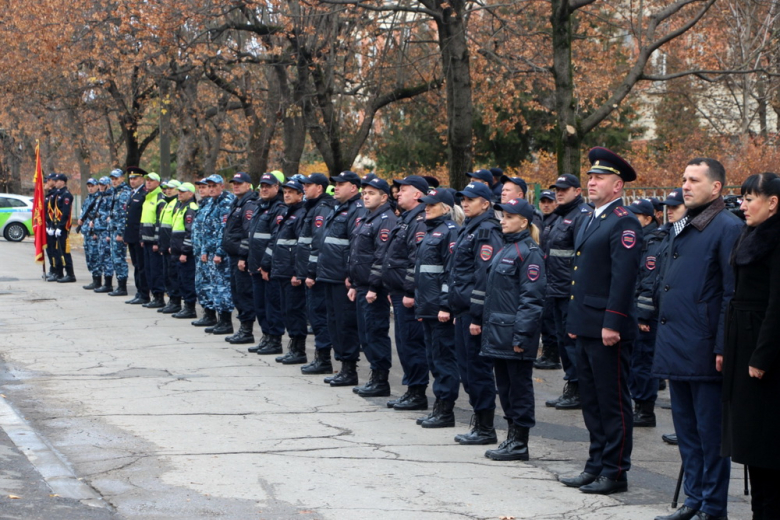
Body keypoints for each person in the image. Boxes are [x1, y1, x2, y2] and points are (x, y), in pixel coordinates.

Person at [652, 158, 743, 520]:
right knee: (687, 435)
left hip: (705, 349)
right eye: (684, 179)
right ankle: (693, 501)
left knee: (710, 437)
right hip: (677, 345)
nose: (685, 186)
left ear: (716, 187)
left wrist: (722, 345)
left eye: (694, 180)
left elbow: (729, 293)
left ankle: (713, 508)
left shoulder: (726, 227)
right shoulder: (685, 225)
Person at [559, 147, 643, 495]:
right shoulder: (591, 217)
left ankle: (615, 470)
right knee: (591, 401)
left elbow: (623, 278)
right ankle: (595, 465)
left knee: (612, 402)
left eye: (599, 178)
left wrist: (612, 322)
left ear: (617, 185)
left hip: (607, 328)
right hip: (585, 324)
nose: (591, 182)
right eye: (590, 177)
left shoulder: (623, 221)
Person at [722, 173, 780, 520]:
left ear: (773, 203)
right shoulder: (752, 233)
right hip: (743, 343)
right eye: (742, 198)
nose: (742, 205)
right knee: (752, 445)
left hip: (765, 354)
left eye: (750, 198)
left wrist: (761, 356)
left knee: (767, 445)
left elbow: (778, 304)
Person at [481, 197, 546, 460]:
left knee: (519, 389)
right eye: (502, 216)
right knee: (506, 389)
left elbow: (532, 300)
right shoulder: (506, 248)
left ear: (523, 221)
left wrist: (522, 336)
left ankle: (520, 442)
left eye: (508, 217)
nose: (503, 221)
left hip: (514, 336)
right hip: (499, 333)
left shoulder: (528, 253)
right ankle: (511, 437)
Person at [449, 181, 503, 445]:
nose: (465, 203)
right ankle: (479, 422)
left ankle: (485, 427)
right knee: (466, 369)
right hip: (463, 308)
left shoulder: (486, 230)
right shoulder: (469, 228)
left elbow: (484, 275)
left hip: (474, 312)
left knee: (477, 370)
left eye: (471, 199)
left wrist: (478, 315)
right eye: (463, 199)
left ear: (486, 203)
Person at [306, 171, 364, 387]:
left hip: (343, 278)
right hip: (329, 275)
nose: (336, 187)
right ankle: (341, 365)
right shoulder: (338, 208)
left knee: (345, 323)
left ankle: (349, 369)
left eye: (341, 184)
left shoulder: (356, 210)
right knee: (333, 322)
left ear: (354, 188)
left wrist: (351, 275)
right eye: (335, 184)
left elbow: (356, 247)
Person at [382, 176, 431, 410]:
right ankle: (411, 388)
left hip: (407, 294)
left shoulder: (420, 221)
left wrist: (410, 292)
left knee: (411, 343)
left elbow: (415, 260)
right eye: (398, 190)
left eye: (404, 190)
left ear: (418, 194)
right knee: (403, 342)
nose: (398, 193)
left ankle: (417, 392)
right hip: (398, 291)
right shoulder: (407, 219)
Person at [414, 188, 461, 428]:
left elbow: (450, 273)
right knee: (434, 359)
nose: (426, 207)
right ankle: (439, 407)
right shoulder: (431, 231)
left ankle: (445, 411)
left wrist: (444, 306)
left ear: (446, 208)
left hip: (439, 310)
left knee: (444, 360)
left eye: (432, 204)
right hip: (429, 307)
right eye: (425, 204)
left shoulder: (449, 232)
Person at [544, 173, 590, 409]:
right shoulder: (559, 217)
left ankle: (579, 389)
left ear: (577, 191)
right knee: (564, 342)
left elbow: (581, 258)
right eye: (556, 189)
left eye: (564, 189)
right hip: (556, 290)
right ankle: (572, 385)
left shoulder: (580, 216)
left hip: (570, 292)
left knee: (572, 343)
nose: (558, 193)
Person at [348, 177, 397, 397]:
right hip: (362, 286)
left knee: (375, 332)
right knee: (366, 334)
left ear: (384, 197)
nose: (366, 196)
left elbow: (382, 257)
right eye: (364, 192)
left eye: (371, 193)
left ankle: (380, 380)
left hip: (373, 289)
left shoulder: (385, 219)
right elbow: (359, 254)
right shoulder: (367, 218)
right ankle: (374, 376)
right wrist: (354, 282)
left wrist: (374, 288)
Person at [626, 199, 663, 428]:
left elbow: (648, 281)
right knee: (635, 360)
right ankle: (639, 404)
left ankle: (645, 410)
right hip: (633, 310)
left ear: (648, 219)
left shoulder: (652, 242)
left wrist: (643, 315)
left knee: (643, 360)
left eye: (636, 216)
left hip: (644, 315)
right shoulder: (638, 240)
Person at [296, 173, 337, 373]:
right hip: (310, 271)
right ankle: (320, 358)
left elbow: (317, 244)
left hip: (317, 274)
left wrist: (311, 272)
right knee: (315, 314)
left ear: (319, 188)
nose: (304, 188)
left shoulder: (322, 209)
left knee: (319, 316)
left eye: (308, 185)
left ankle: (323, 360)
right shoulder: (313, 207)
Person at [268, 179, 309, 364]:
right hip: (282, 270)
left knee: (294, 310)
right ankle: (293, 347)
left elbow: (302, 246)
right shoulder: (287, 212)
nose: (287, 194)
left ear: (301, 195)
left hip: (292, 272)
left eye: (292, 192)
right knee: (286, 310)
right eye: (285, 191)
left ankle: (299, 350)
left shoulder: (300, 214)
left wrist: (297, 273)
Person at [248, 172, 287, 354]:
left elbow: (274, 239)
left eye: (268, 186)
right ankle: (266, 336)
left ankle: (275, 340)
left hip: (267, 267)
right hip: (256, 265)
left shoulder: (278, 208)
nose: (264, 189)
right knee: (260, 305)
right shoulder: (260, 206)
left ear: (276, 188)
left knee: (272, 305)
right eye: (262, 186)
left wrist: (265, 264)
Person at [222, 172, 259, 344]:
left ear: (248, 185)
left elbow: (247, 234)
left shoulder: (249, 204)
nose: (235, 185)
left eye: (239, 183)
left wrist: (243, 257)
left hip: (240, 257)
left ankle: (247, 330)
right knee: (237, 293)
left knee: (244, 293)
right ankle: (243, 328)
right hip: (233, 255)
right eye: (233, 183)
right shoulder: (237, 203)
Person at [199, 174, 237, 335]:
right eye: (209, 186)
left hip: (221, 253)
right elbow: (206, 229)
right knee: (214, 287)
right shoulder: (211, 203)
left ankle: (226, 322)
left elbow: (224, 229)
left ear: (222, 186)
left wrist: (219, 251)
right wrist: (205, 250)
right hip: (211, 251)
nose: (211, 189)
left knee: (222, 288)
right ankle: (219, 320)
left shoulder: (226, 202)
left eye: (214, 185)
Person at [535, 189, 562, 371]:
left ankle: (552, 356)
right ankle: (548, 354)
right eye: (543, 201)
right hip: (545, 275)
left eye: (549, 201)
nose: (546, 204)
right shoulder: (543, 221)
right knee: (546, 317)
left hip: (554, 277)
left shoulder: (557, 222)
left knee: (550, 319)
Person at [169, 182, 200, 319]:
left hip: (185, 253)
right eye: (179, 191)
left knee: (187, 280)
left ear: (191, 193)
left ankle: (190, 308)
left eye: (183, 191)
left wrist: (185, 251)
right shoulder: (181, 207)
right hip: (177, 250)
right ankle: (185, 306)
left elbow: (190, 233)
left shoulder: (191, 208)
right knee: (180, 279)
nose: (179, 193)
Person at [190, 178, 217, 327]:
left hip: (209, 253)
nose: (201, 190)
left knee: (209, 284)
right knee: (201, 284)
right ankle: (207, 313)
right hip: (200, 252)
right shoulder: (203, 205)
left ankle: (212, 315)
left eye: (204, 187)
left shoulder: (212, 206)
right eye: (199, 187)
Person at [139, 172, 167, 309]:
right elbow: (144, 220)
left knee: (156, 271)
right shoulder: (147, 197)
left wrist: (157, 241)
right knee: (149, 270)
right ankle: (153, 297)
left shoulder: (160, 198)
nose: (148, 182)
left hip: (154, 242)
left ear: (158, 182)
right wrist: (141, 237)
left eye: (151, 180)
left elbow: (158, 222)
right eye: (147, 180)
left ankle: (159, 297)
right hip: (146, 240)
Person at [123, 167, 150, 304]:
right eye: (131, 178)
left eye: (135, 178)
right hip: (132, 236)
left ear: (142, 179)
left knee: (141, 265)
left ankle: (144, 294)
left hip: (139, 237)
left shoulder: (144, 194)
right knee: (136, 265)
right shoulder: (132, 194)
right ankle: (139, 292)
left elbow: (142, 218)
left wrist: (141, 236)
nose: (132, 181)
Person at [156, 179, 183, 314]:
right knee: (167, 274)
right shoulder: (167, 203)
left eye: (171, 188)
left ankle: (176, 301)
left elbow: (175, 228)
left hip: (172, 247)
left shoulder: (177, 204)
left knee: (173, 275)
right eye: (166, 188)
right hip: (166, 246)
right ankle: (171, 300)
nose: (168, 190)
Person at [108, 169, 132, 297]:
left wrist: (120, 233)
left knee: (119, 258)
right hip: (113, 229)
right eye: (112, 179)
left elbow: (124, 215)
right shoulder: (115, 192)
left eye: (116, 178)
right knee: (114, 258)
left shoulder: (124, 193)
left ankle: (122, 286)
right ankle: (119, 285)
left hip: (119, 232)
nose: (114, 181)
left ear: (122, 178)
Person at [52, 174, 77, 283]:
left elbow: (65, 213)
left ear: (63, 182)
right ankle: (60, 272)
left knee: (64, 251)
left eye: (57, 181)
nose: (55, 182)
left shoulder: (66, 195)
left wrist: (61, 227)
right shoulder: (58, 194)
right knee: (59, 251)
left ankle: (70, 274)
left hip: (63, 227)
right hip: (57, 226)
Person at [92, 177, 114, 292]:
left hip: (106, 230)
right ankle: (103, 283)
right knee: (101, 257)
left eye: (103, 184)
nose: (100, 186)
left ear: (108, 185)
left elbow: (111, 215)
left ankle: (108, 283)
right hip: (99, 230)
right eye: (99, 184)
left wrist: (109, 233)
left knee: (107, 258)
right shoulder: (101, 196)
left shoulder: (110, 197)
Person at [78, 179, 100, 289]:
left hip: (94, 232)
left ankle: (97, 280)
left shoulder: (99, 199)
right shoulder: (88, 198)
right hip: (87, 231)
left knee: (95, 256)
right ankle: (94, 278)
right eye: (89, 186)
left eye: (93, 186)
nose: (90, 188)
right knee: (89, 256)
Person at [44, 173, 60, 281]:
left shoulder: (56, 194)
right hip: (48, 225)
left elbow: (56, 212)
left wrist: (53, 226)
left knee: (55, 250)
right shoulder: (49, 194)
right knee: (49, 250)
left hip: (53, 226)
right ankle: (52, 269)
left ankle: (56, 271)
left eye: (49, 180)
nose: (47, 182)